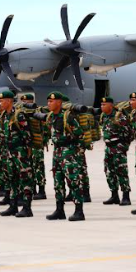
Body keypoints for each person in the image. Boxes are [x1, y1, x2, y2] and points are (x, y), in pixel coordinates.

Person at [44, 92, 86, 222]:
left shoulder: (68, 117)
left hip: (68, 152)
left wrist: (70, 143)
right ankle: (59, 210)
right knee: (58, 182)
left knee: (73, 181)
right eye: (48, 101)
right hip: (57, 152)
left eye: (52, 101)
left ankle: (79, 211)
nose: (49, 104)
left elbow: (79, 133)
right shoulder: (51, 117)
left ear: (59, 102)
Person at [0, 90, 35, 217]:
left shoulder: (19, 115)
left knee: (25, 178)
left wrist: (26, 151)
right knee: (12, 179)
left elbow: (27, 135)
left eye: (2, 101)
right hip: (9, 152)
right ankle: (13, 206)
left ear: (9, 101)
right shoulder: (4, 115)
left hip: (20, 152)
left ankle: (27, 207)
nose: (0, 103)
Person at [99, 97, 133, 206]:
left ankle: (126, 196)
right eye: (101, 104)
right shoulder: (104, 116)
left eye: (104, 104)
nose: (102, 107)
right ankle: (114, 195)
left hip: (118, 147)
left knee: (121, 171)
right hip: (108, 147)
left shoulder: (119, 116)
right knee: (109, 171)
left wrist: (123, 146)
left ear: (111, 105)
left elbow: (129, 133)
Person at [20, 94, 47, 200]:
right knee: (29, 167)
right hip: (27, 144)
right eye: (24, 102)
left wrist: (44, 141)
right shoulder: (21, 113)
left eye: (27, 101)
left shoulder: (38, 112)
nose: (25, 103)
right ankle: (32, 189)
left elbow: (45, 128)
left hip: (36, 144)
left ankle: (41, 190)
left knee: (38, 166)